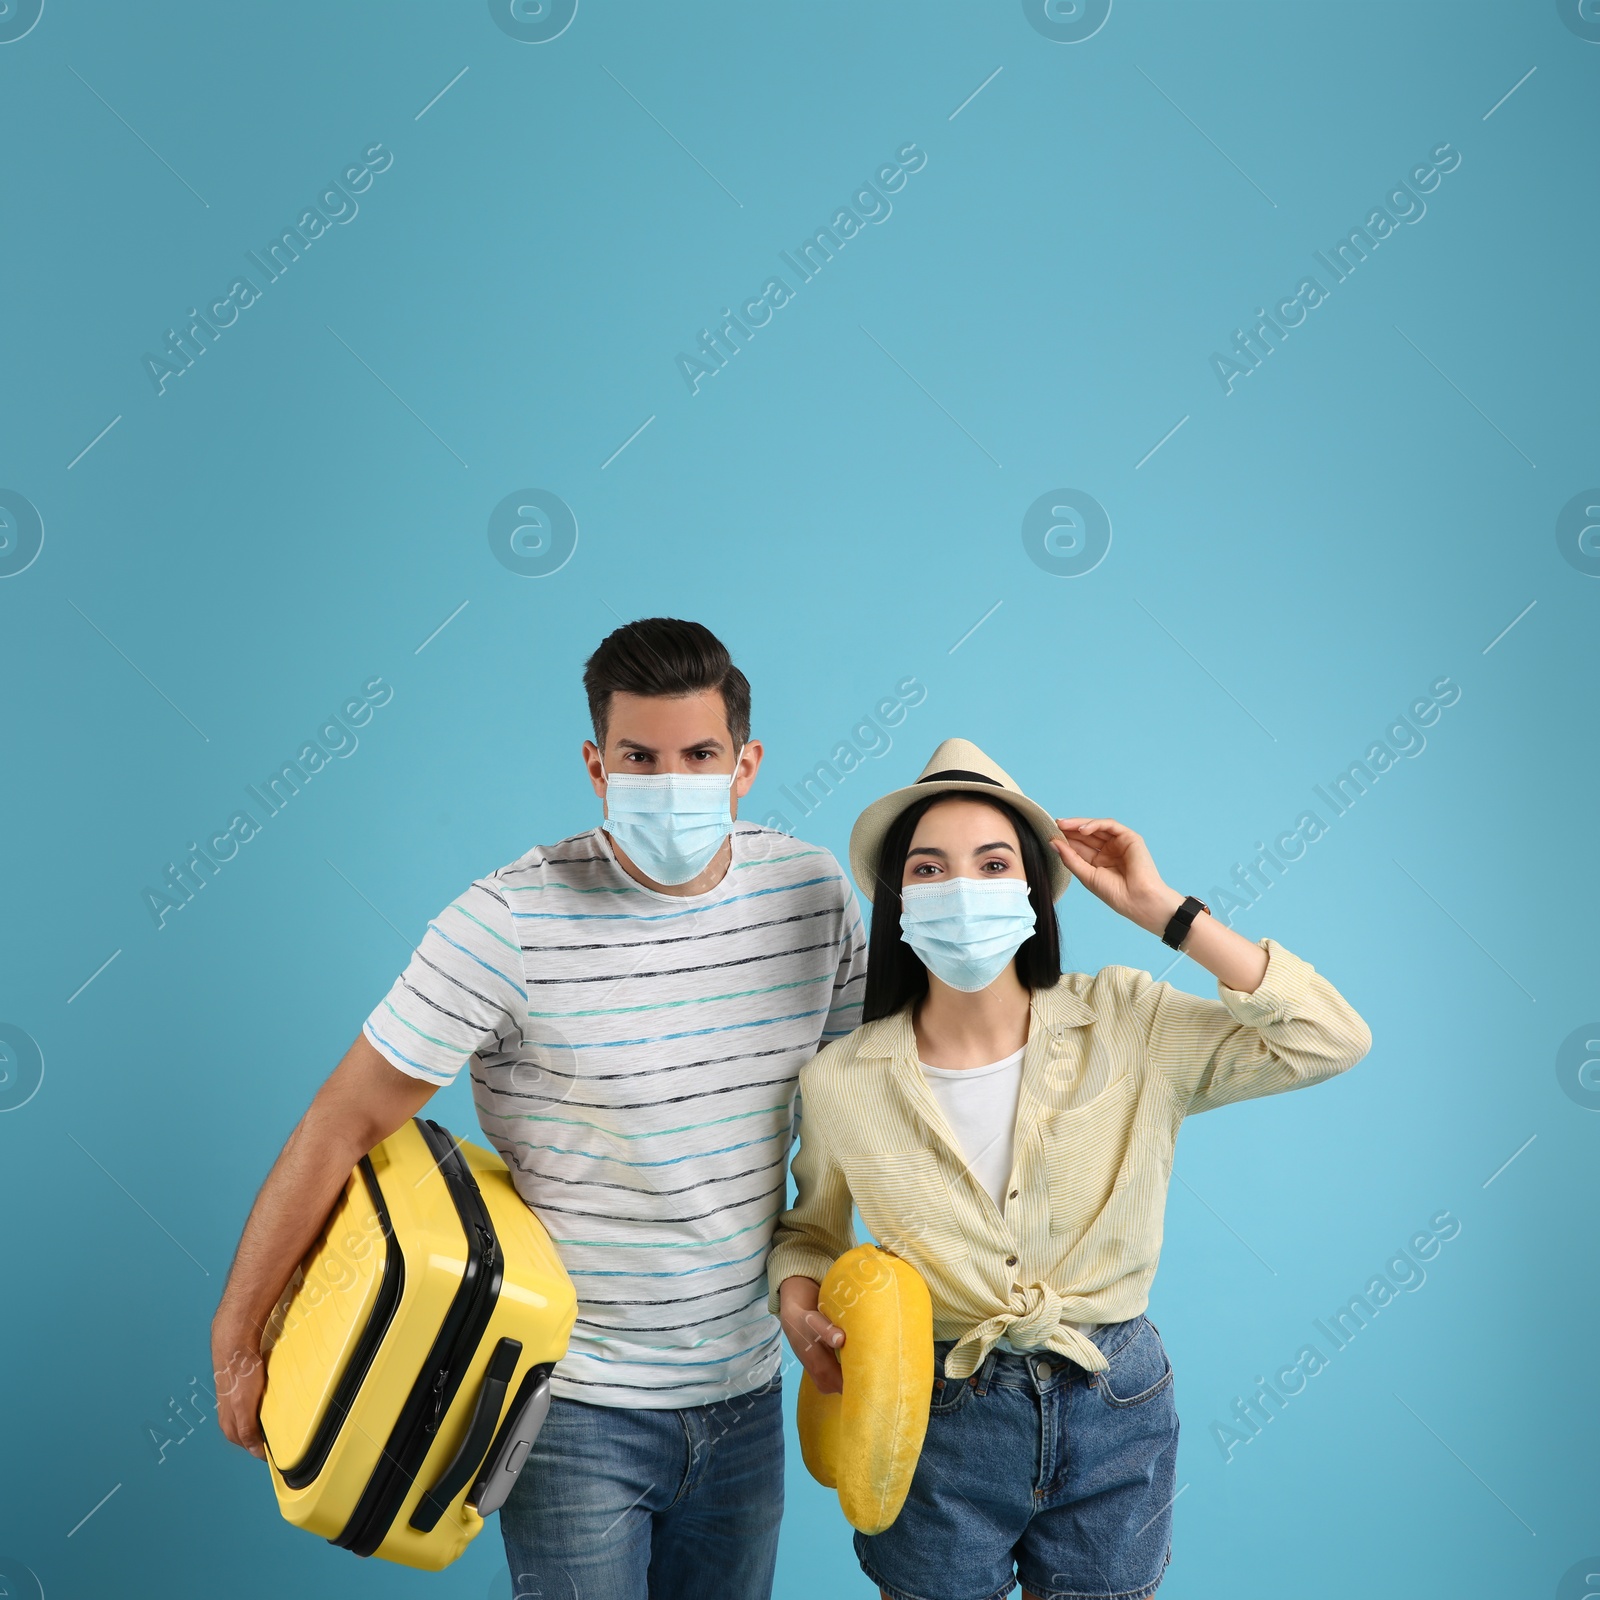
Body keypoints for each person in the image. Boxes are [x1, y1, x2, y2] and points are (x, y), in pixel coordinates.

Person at [211, 617, 866, 1600]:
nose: (670, 782)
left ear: (746, 763)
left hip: (744, 1392)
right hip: (571, 1406)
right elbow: (342, 1123)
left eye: (699, 755)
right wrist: (236, 1336)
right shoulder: (506, 920)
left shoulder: (813, 895)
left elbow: (854, 1118)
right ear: (596, 765)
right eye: (640, 759)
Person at [769, 738, 1372, 1600]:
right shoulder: (839, 1081)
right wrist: (799, 1301)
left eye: (992, 862)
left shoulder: (1128, 1019)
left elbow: (1330, 1039)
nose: (964, 888)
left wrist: (1167, 911)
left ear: (1031, 888)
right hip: (933, 1414)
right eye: (931, 868)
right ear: (899, 897)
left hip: (1114, 1400)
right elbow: (809, 1233)